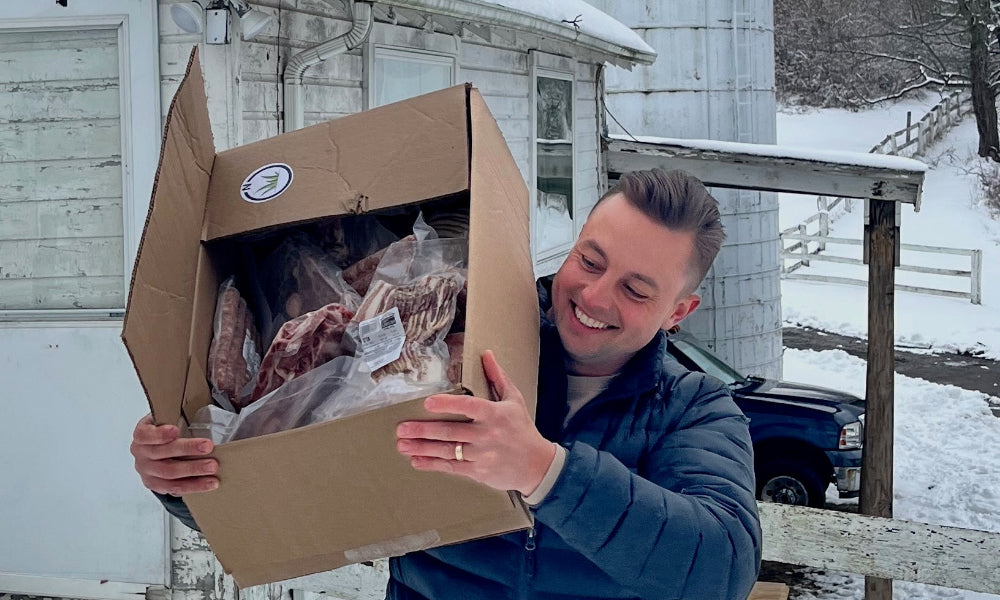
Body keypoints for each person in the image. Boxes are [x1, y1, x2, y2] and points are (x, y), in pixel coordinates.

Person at [131, 168, 762, 600]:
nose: (593, 295)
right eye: (589, 261)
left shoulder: (693, 411)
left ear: (679, 311)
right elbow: (310, 479)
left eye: (635, 288)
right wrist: (186, 484)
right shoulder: (462, 336)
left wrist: (545, 471)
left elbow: (722, 566)